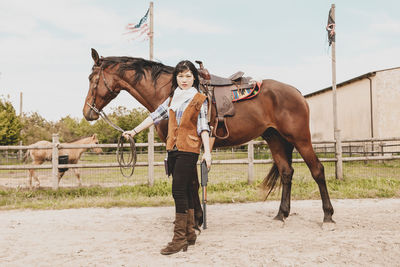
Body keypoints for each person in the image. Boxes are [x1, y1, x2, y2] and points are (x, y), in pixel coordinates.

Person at [123, 60, 212, 255]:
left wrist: (207, 152)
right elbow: (155, 115)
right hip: (173, 149)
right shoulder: (173, 98)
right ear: (176, 78)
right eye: (180, 76)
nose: (184, 80)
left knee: (178, 190)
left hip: (189, 149)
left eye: (188, 76)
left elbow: (203, 127)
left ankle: (178, 238)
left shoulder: (199, 99)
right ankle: (189, 233)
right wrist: (134, 131)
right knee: (187, 191)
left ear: (194, 78)